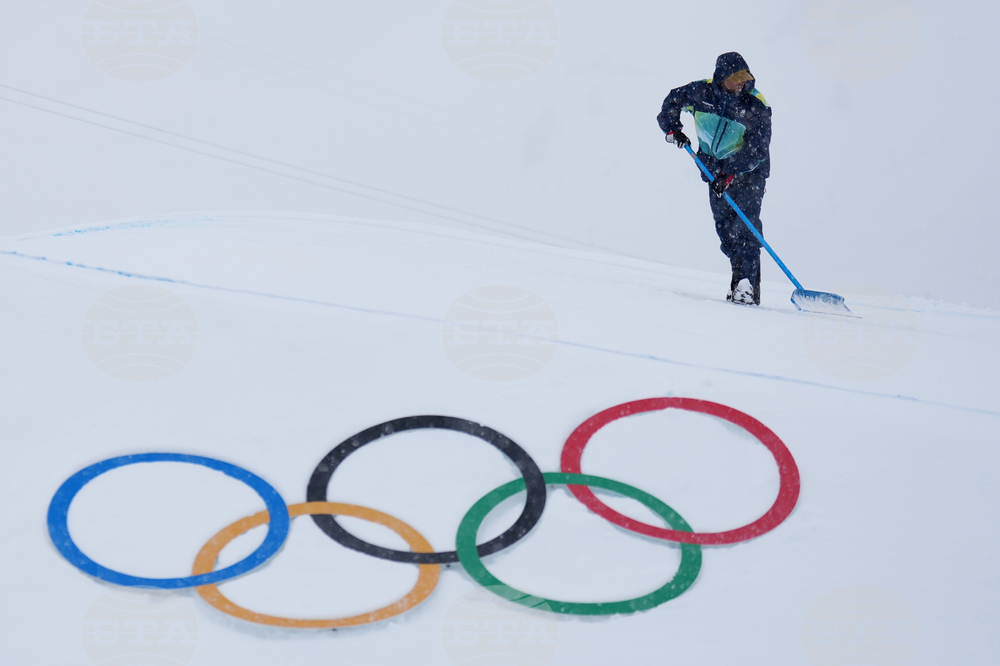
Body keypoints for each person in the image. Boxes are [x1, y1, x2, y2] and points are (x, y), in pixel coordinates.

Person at [657, 52, 772, 305]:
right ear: (721, 77)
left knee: (745, 227)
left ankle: (747, 286)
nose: (741, 82)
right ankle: (738, 278)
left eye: (745, 77)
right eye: (735, 78)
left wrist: (730, 172)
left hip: (748, 173)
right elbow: (671, 102)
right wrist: (673, 129)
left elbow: (759, 148)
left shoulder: (756, 105)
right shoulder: (701, 93)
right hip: (712, 170)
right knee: (725, 229)